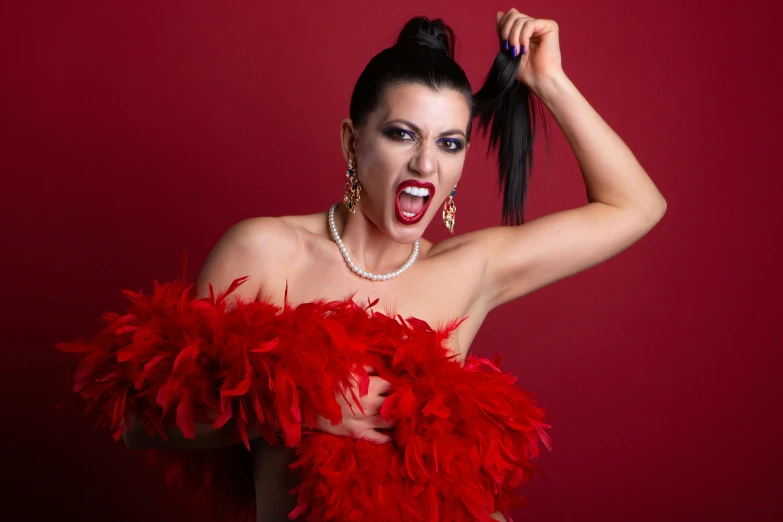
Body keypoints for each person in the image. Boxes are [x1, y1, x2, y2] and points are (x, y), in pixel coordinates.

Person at [65, 8, 666, 522]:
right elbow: (145, 422)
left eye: (450, 143)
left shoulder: (469, 268)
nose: (426, 165)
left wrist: (550, 81)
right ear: (354, 142)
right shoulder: (266, 253)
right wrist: (302, 403)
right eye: (403, 134)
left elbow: (636, 206)